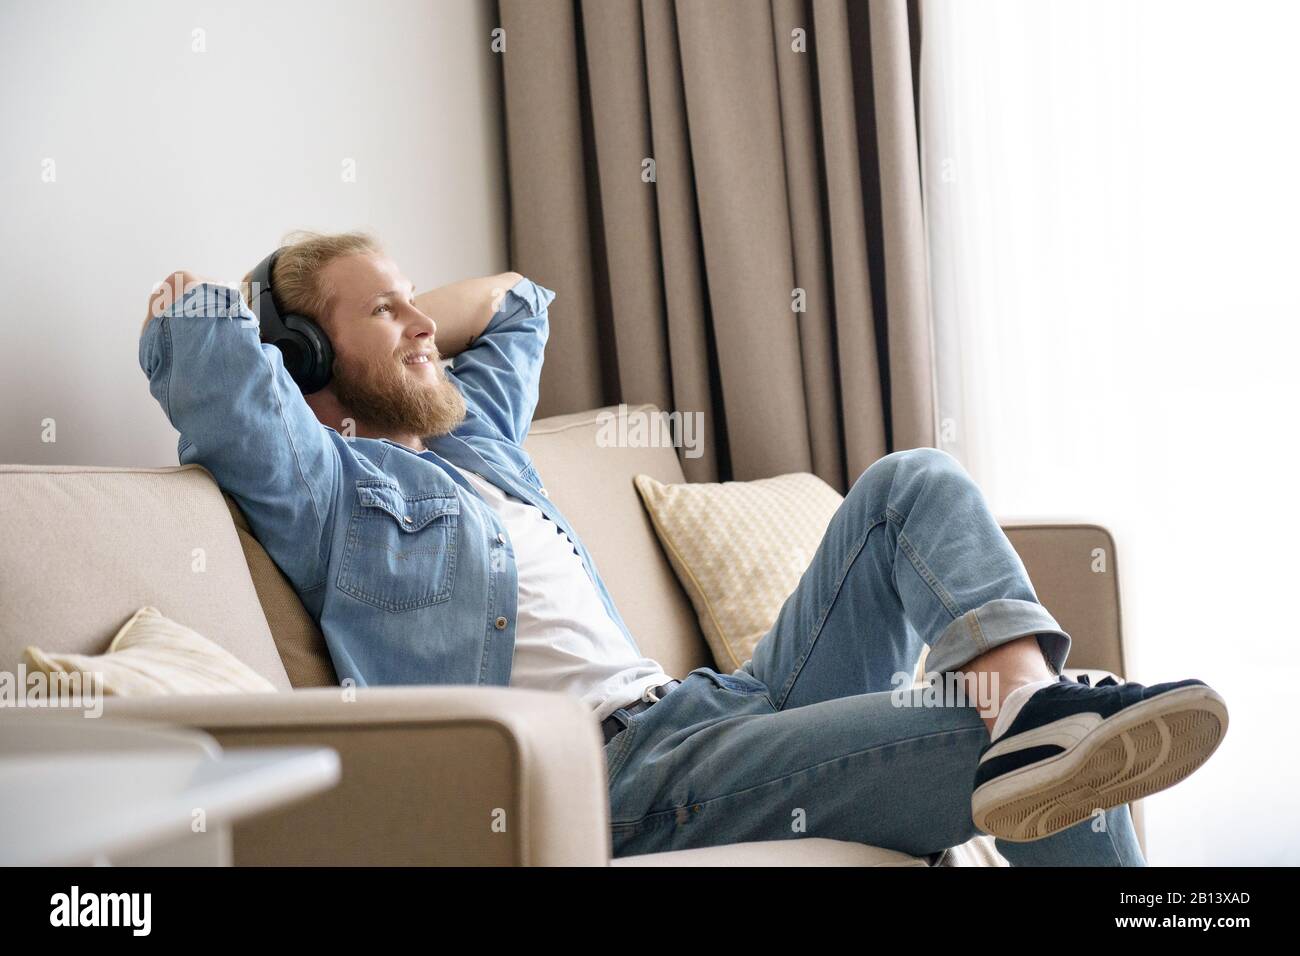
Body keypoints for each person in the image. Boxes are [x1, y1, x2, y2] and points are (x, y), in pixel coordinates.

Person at [139, 230, 1228, 865]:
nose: (424, 323)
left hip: (712, 706)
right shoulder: (329, 487)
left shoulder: (474, 441)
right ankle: (1032, 726)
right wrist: (261, 322)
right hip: (621, 774)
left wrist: (401, 314)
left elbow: (521, 304)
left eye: (416, 301)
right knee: (983, 738)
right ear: (311, 354)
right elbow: (205, 363)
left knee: (910, 481)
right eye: (385, 312)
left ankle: (1024, 705)